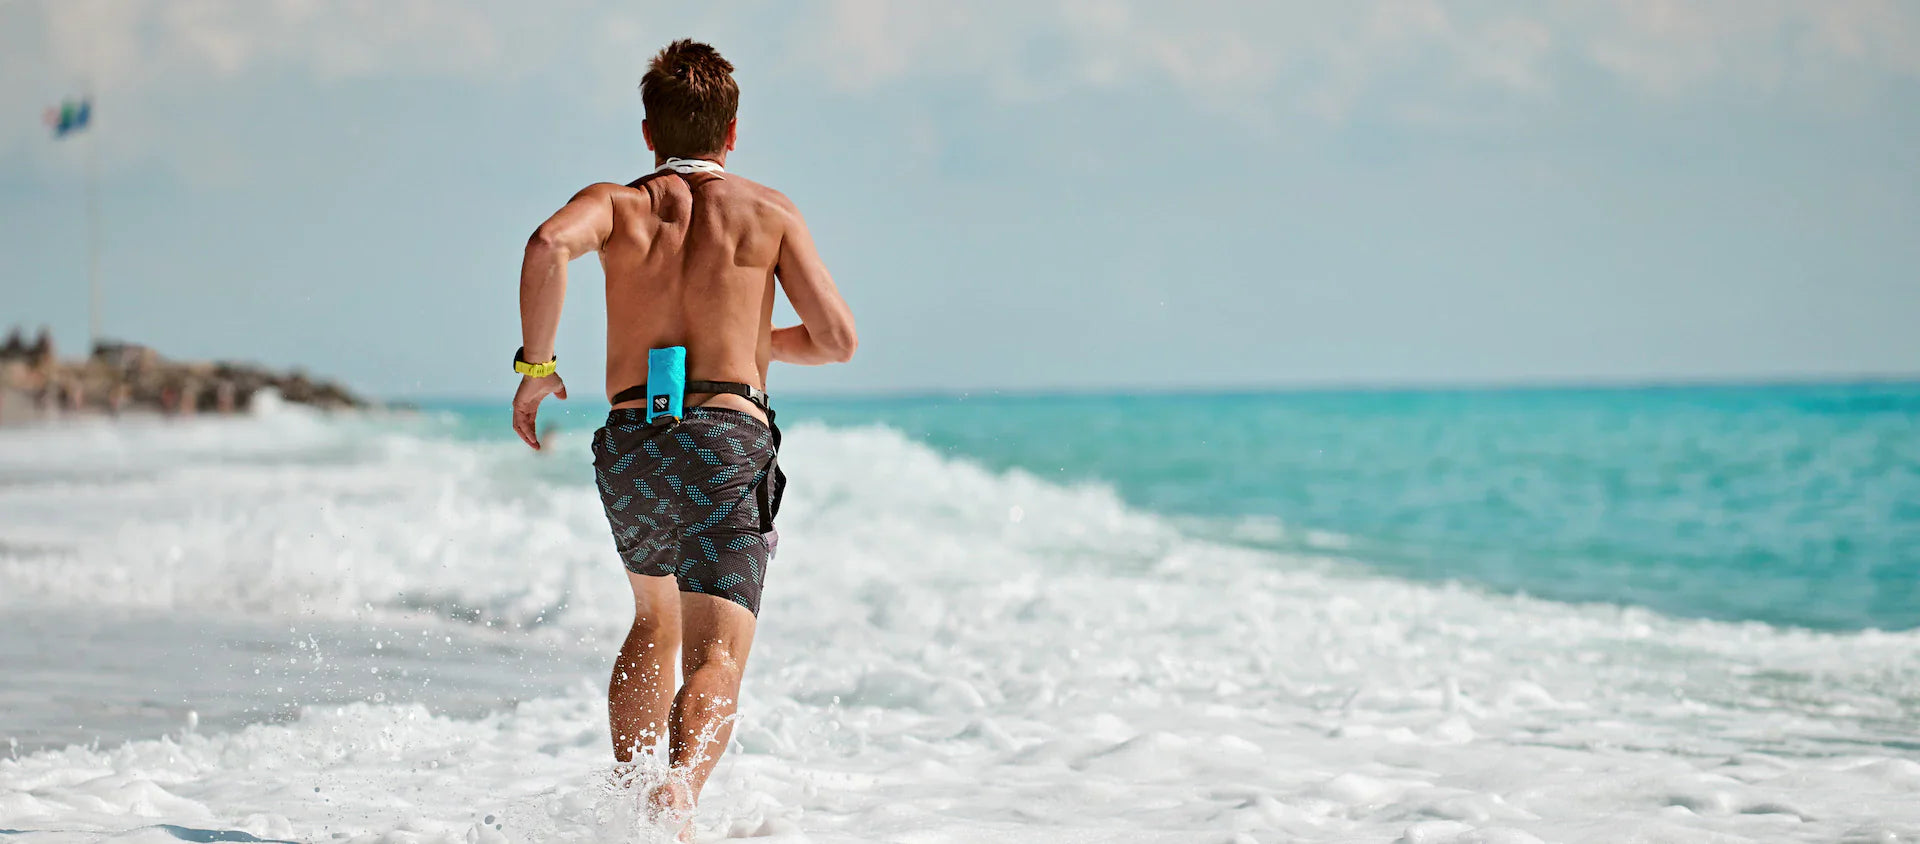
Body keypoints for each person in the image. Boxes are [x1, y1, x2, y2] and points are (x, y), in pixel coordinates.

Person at [509, 39, 857, 834]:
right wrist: (756, 343)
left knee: (650, 622)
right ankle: (679, 795)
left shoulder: (617, 203)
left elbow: (545, 245)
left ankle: (633, 798)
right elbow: (838, 339)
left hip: (633, 439)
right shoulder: (768, 212)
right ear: (731, 134)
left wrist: (537, 367)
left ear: (647, 133)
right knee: (716, 655)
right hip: (727, 439)